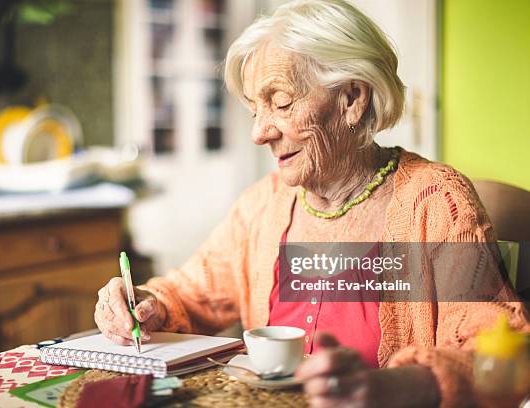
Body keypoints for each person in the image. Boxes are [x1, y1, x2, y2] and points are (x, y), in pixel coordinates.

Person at [94, 1, 529, 406]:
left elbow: (502, 355)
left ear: (352, 98)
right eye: (254, 111)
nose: (259, 132)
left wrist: (386, 388)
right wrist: (144, 303)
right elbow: (188, 294)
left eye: (280, 103)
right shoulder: (263, 206)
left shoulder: (434, 202)